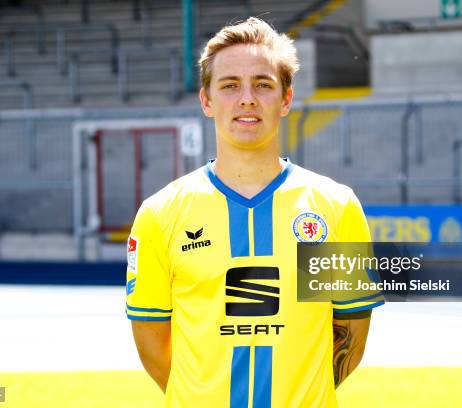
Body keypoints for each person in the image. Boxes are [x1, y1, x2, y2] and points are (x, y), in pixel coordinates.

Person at [126, 17, 383, 407]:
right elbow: (153, 345)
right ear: (207, 101)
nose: (247, 98)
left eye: (263, 84)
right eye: (230, 86)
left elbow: (350, 335)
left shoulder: (335, 207)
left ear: (286, 99)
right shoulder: (160, 214)